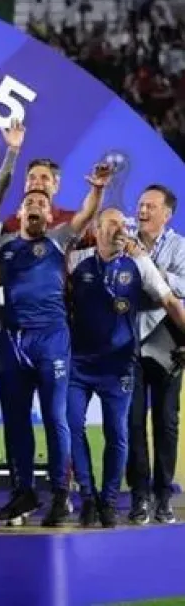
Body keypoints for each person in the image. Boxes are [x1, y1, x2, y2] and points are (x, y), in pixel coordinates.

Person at [0, 163, 110, 527]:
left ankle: (60, 494)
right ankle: (23, 491)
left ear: (49, 214)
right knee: (14, 421)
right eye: (30, 202)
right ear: (20, 212)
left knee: (55, 418)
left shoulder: (59, 238)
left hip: (52, 340)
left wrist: (98, 189)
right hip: (14, 340)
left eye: (42, 203)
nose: (36, 206)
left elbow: (86, 214)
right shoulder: (2, 246)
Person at [68, 207, 185, 528]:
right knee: (72, 429)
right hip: (79, 365)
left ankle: (108, 501)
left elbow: (170, 301)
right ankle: (88, 498)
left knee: (118, 435)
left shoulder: (139, 263)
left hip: (118, 366)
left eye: (124, 224)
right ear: (97, 228)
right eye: (113, 224)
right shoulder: (77, 262)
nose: (121, 229)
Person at [127, 184, 185, 524]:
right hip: (129, 343)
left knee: (166, 422)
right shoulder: (124, 241)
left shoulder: (180, 247)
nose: (143, 211)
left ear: (167, 214)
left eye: (150, 206)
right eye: (140, 205)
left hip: (168, 343)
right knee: (132, 423)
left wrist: (153, 271)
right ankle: (139, 496)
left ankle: (163, 496)